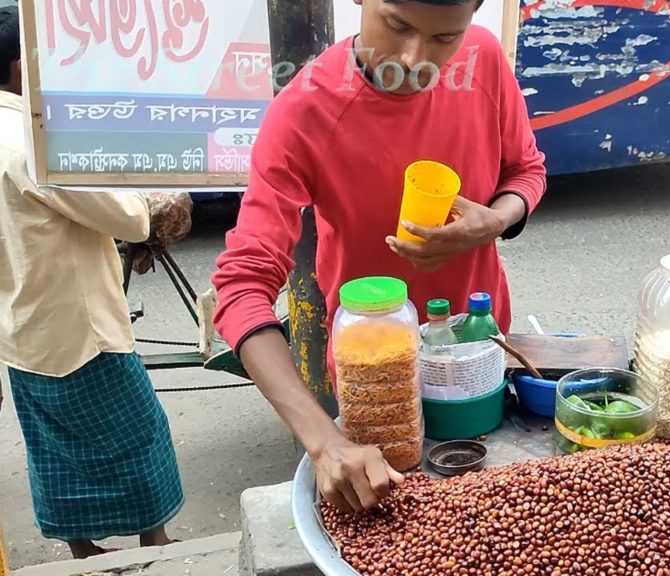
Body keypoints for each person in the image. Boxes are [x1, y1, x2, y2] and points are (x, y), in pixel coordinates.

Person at [210, 0, 547, 515]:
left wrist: (496, 220)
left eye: (444, 39)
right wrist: (324, 442)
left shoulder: (484, 58)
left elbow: (525, 169)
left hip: (479, 354)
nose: (414, 59)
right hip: (375, 384)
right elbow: (241, 288)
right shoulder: (304, 112)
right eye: (397, 25)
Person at [0, 5, 187, 559]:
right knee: (141, 436)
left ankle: (83, 554)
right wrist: (152, 204)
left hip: (21, 329)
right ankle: (154, 547)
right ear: (20, 67)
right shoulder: (32, 141)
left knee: (54, 450)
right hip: (80, 330)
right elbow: (123, 215)